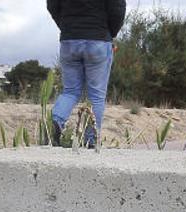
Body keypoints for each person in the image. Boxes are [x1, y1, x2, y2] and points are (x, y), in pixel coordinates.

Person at [46, 0, 126, 148]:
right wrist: (111, 32)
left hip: (69, 40)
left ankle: (56, 122)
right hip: (99, 39)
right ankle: (90, 139)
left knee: (70, 91)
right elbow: (118, 9)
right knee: (96, 95)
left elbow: (52, 5)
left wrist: (66, 27)